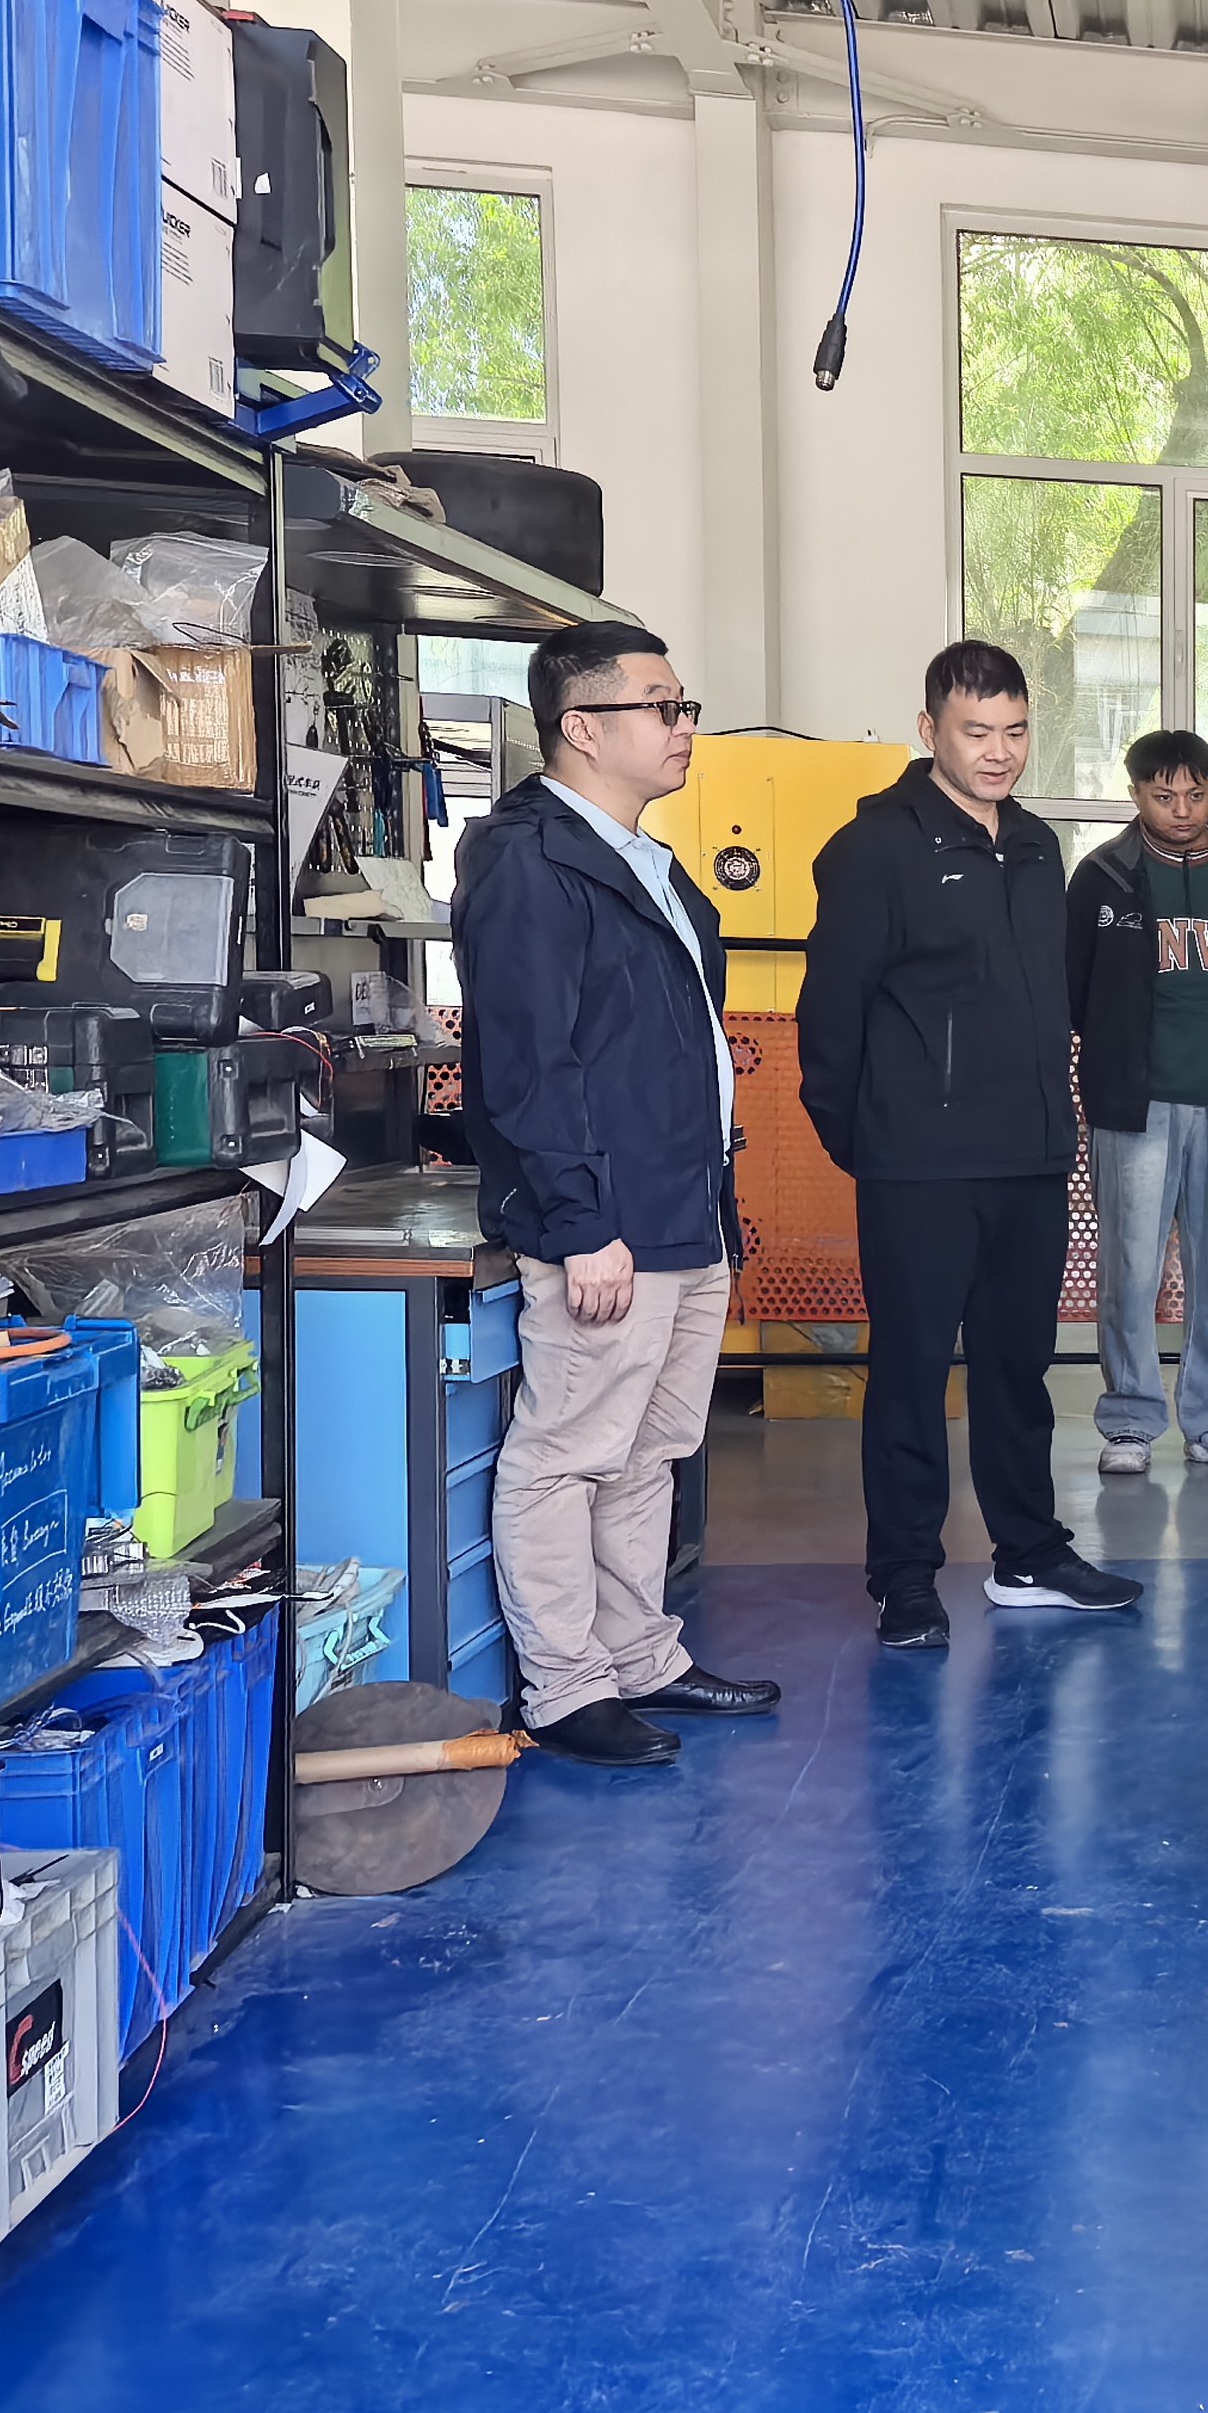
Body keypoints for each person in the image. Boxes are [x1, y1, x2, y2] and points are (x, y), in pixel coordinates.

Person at [454, 622, 781, 1769]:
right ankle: (564, 1686)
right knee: (568, 1453)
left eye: (685, 706)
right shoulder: (530, 861)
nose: (684, 727)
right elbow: (528, 1064)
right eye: (662, 707)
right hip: (608, 1225)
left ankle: (639, 1655)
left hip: (684, 1210)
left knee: (650, 1453)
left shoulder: (649, 860)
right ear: (582, 727)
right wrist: (582, 1222)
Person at [799, 640, 1144, 1649]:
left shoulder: (1038, 847)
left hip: (1029, 1157)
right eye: (976, 732)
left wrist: (1056, 1126)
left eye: (1016, 731)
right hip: (918, 1164)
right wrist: (870, 1140)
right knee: (911, 1375)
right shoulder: (875, 848)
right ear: (930, 731)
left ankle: (1027, 1552)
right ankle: (904, 1577)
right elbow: (831, 1017)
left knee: (1016, 1370)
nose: (999, 752)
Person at [1064, 728, 1208, 1479]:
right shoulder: (1102, 878)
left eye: (1196, 794)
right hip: (1136, 1104)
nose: (1182, 809)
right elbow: (1074, 989)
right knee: (1129, 1269)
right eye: (1164, 796)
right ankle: (1131, 1419)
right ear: (1135, 794)